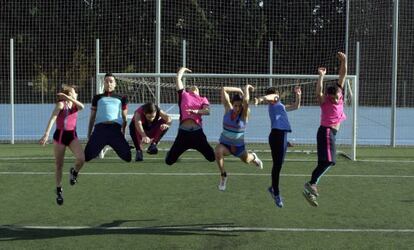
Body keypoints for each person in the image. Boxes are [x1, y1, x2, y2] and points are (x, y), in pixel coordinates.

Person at [303, 52, 347, 207]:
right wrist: (321, 76)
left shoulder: (340, 93)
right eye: (334, 97)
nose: (336, 99)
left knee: (324, 162)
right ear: (329, 96)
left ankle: (310, 190)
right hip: (326, 132)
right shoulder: (325, 101)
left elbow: (343, 74)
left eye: (337, 96)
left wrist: (344, 61)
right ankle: (311, 183)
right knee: (329, 161)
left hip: (330, 134)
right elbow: (318, 92)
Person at [255, 86, 302, 207]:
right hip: (277, 136)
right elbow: (270, 97)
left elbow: (296, 106)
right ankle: (275, 192)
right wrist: (260, 99)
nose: (276, 96)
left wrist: (298, 95)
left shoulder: (280, 106)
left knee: (279, 164)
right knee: (277, 166)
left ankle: (273, 188)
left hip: (282, 136)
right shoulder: (273, 103)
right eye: (275, 95)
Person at [39, 85, 85, 205]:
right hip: (60, 137)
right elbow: (53, 118)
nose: (77, 94)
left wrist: (69, 98)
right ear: (69, 94)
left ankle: (74, 173)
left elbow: (82, 107)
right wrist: (46, 134)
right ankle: (59, 189)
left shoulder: (75, 105)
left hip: (72, 136)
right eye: (75, 92)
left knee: (81, 159)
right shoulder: (61, 105)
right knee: (59, 165)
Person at [215, 85, 263, 191]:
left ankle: (254, 157)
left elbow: (246, 101)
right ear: (232, 104)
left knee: (247, 160)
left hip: (238, 146)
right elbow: (224, 89)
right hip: (225, 144)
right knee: (218, 151)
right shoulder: (228, 109)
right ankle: (223, 175)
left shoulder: (245, 114)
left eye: (239, 106)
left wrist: (246, 88)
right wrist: (238, 89)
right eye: (235, 105)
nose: (237, 108)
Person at [165, 67, 215, 165]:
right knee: (169, 161)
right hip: (183, 134)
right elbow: (178, 78)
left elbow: (207, 111)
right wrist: (183, 69)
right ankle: (169, 154)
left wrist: (196, 111)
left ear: (199, 92)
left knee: (212, 158)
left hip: (197, 134)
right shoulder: (183, 95)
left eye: (196, 88)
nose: (194, 87)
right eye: (191, 87)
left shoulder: (202, 99)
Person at [84, 73, 132, 162]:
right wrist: (89, 133)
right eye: (106, 81)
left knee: (127, 157)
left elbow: (124, 118)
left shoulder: (122, 98)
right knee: (87, 157)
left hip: (115, 130)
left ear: (115, 84)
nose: (109, 84)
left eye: (111, 81)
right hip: (100, 130)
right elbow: (92, 117)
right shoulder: (97, 98)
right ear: (103, 83)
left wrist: (123, 133)